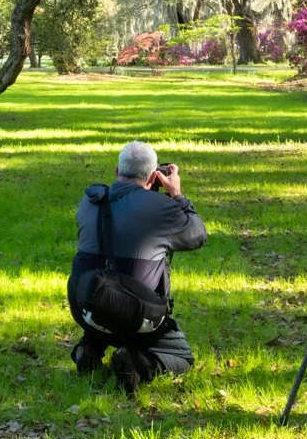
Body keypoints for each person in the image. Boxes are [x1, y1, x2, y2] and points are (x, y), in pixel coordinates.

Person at [68, 141, 207, 395]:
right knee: (182, 356)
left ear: (115, 171)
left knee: (106, 279)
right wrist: (177, 195)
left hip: (85, 309)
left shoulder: (89, 201)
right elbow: (197, 235)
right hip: (134, 317)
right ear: (155, 176)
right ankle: (136, 365)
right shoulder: (161, 207)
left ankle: (89, 349)